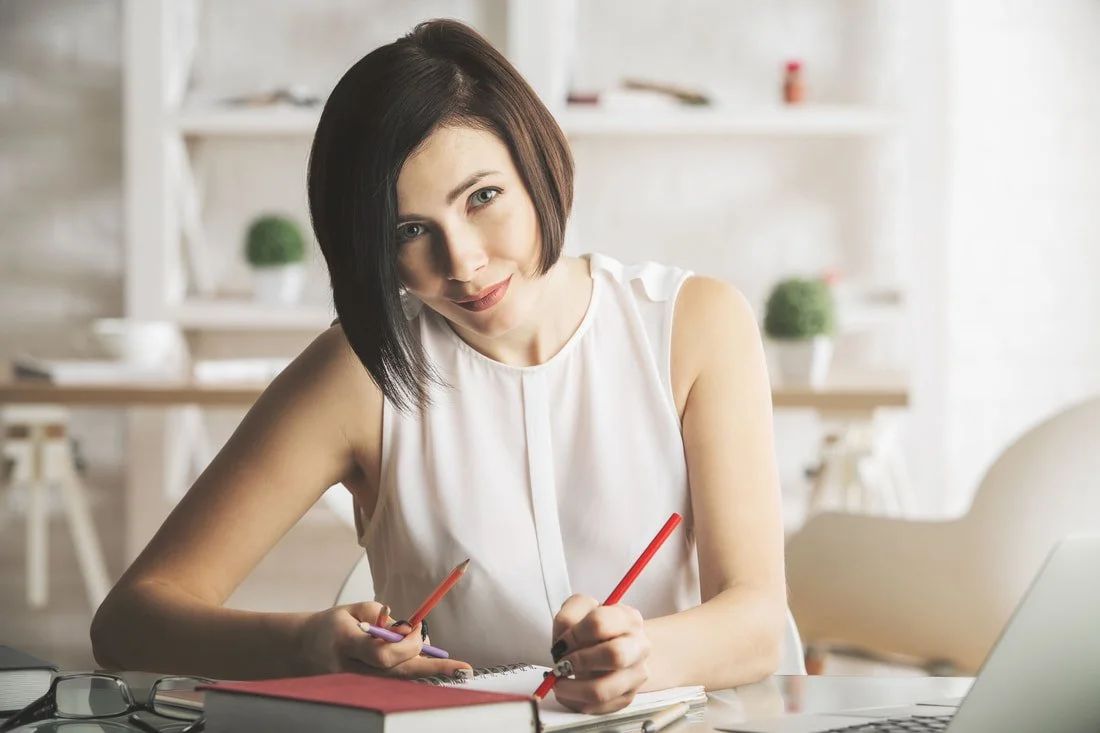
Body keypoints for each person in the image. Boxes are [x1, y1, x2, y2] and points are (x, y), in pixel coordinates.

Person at [91, 18, 788, 714]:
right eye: (410, 231)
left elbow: (756, 622)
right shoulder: (358, 372)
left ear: (536, 160)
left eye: (482, 197)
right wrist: (307, 645)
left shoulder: (694, 323)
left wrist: (643, 655)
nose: (462, 262)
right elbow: (129, 621)